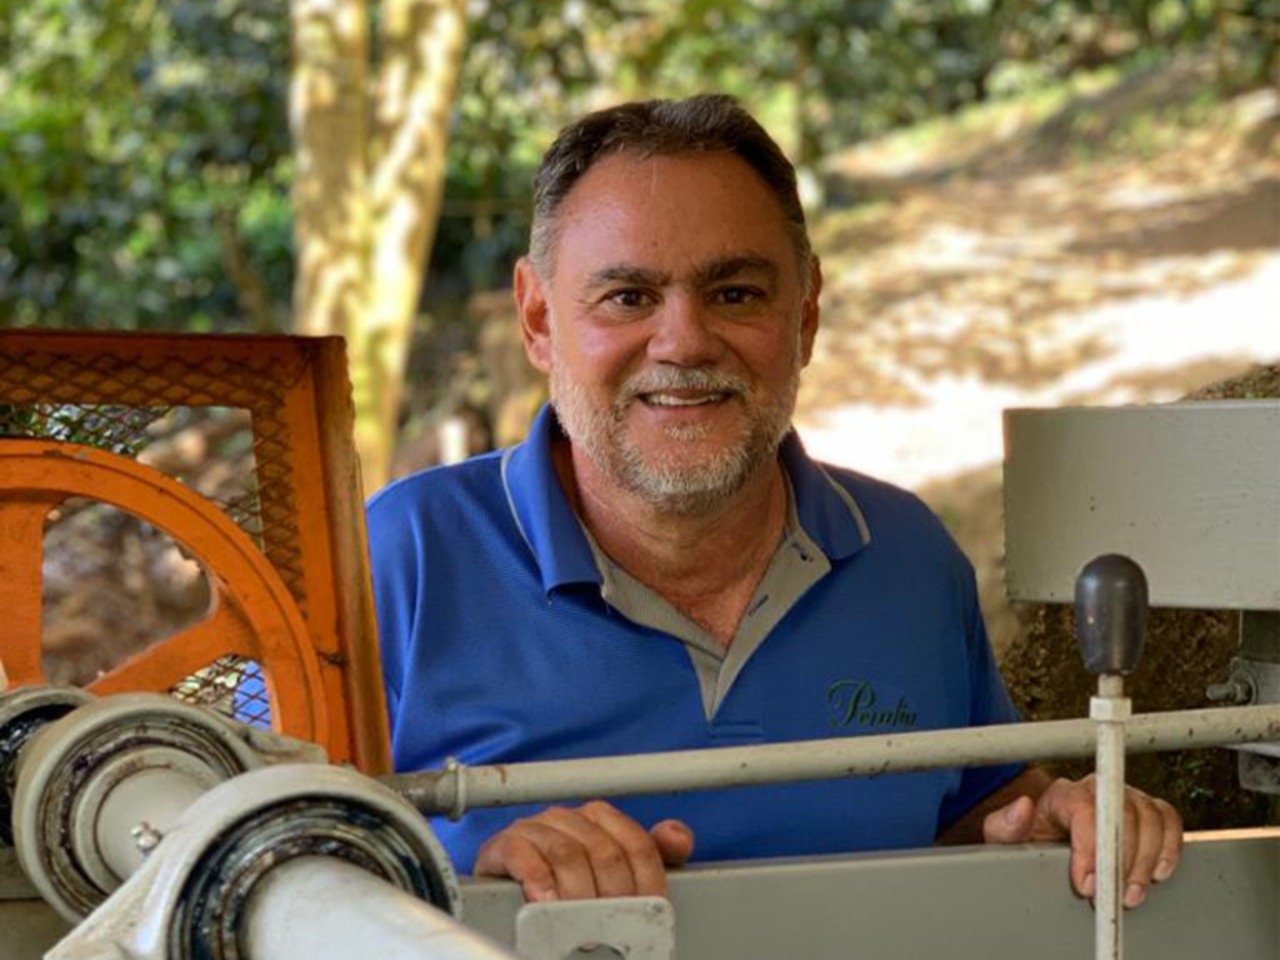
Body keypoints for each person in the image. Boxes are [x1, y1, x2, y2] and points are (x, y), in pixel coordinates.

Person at [368, 94, 1182, 907]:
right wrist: (464, 884)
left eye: (735, 294)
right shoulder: (399, 558)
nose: (684, 341)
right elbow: (290, 851)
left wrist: (1059, 819)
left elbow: (976, 807)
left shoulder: (906, 555)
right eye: (628, 297)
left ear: (807, 313)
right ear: (539, 318)